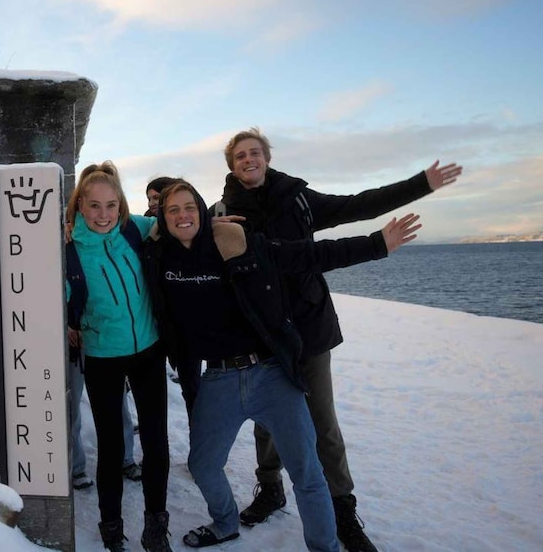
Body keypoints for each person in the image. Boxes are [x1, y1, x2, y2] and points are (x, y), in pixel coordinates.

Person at [211, 127, 462, 552]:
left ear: (267, 158)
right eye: (240, 156)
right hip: (262, 331)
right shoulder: (222, 212)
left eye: (255, 153)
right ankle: (270, 488)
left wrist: (421, 184)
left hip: (309, 325)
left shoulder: (298, 199)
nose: (248, 160)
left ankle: (342, 507)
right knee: (265, 423)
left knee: (323, 423)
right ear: (232, 166)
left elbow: (358, 204)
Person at [144, 180, 420, 550]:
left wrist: (376, 244)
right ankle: (225, 522)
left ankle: (324, 545)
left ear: (202, 211)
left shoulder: (238, 243)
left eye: (189, 207)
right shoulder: (160, 256)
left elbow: (308, 254)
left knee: (307, 471)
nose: (182, 215)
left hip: (270, 373)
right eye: (172, 209)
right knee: (204, 465)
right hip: (219, 378)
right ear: (162, 216)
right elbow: (120, 229)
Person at [66, 161, 171, 552]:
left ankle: (156, 526)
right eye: (94, 206)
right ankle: (111, 526)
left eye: (111, 205)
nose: (103, 214)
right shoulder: (69, 251)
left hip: (148, 349)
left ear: (122, 205)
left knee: (156, 442)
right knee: (110, 448)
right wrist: (64, 323)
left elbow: (181, 226)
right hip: (103, 356)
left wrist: (220, 221)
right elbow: (50, 298)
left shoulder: (134, 229)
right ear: (79, 206)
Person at [144, 175, 202, 418]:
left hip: (192, 322)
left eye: (157, 197)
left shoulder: (195, 226)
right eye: (149, 199)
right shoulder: (147, 228)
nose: (152, 203)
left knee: (198, 390)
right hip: (161, 322)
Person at [69, 345, 143, 490]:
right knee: (72, 405)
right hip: (73, 342)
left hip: (104, 341)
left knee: (119, 403)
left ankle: (126, 459)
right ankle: (76, 466)